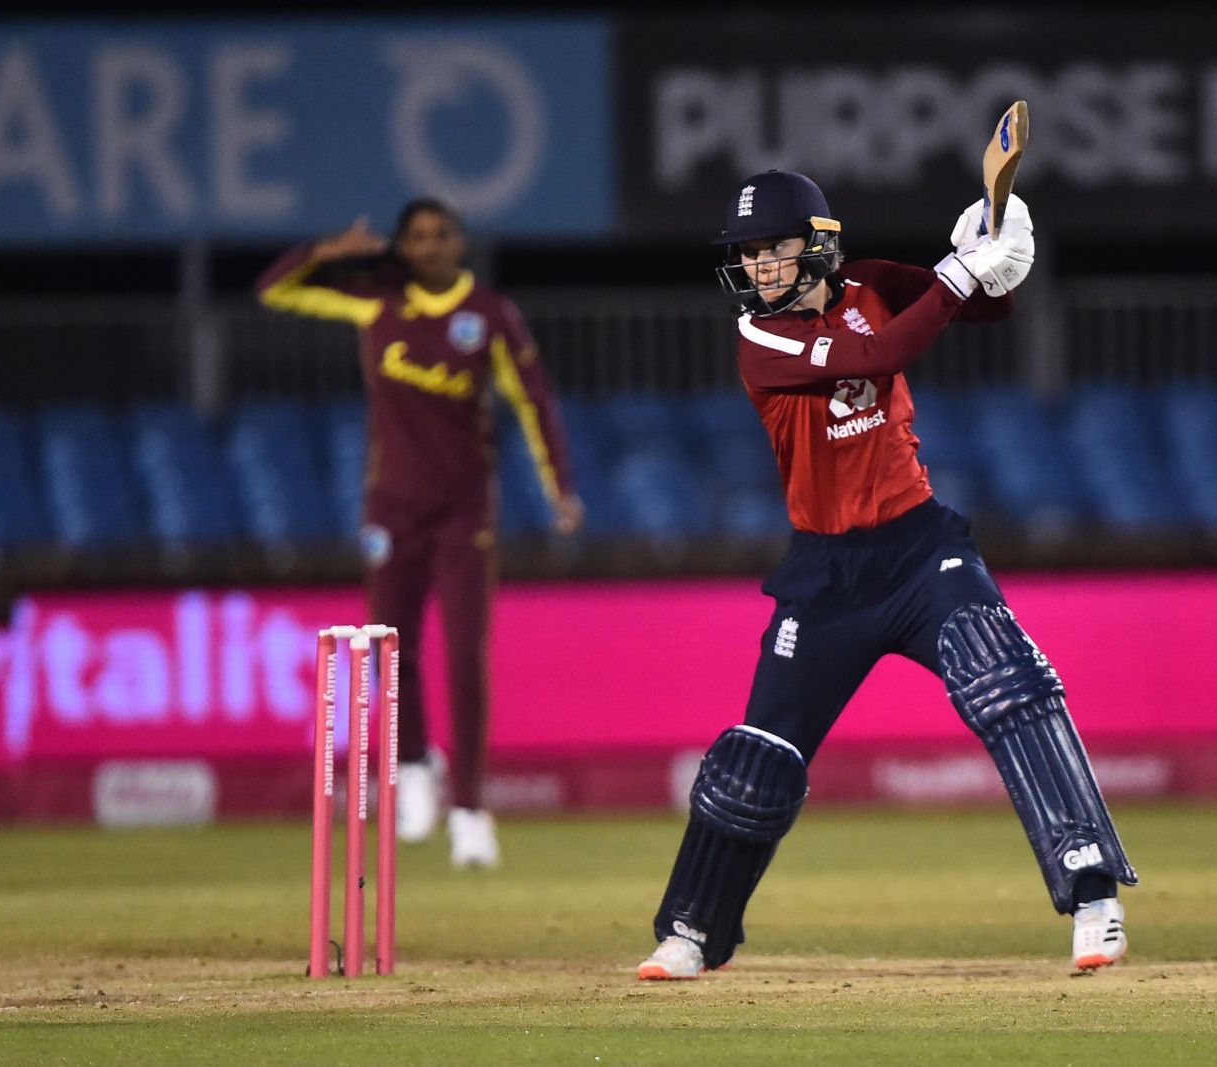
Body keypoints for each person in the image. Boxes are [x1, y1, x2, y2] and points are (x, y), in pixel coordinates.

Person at [637, 170, 1136, 980]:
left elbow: (980, 306)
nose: (759, 268)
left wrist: (994, 252)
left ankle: (1092, 894)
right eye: (749, 254)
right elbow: (883, 351)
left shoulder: (871, 282)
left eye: (774, 248)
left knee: (1008, 681)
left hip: (919, 549)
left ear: (820, 244)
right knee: (757, 756)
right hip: (826, 575)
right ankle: (692, 929)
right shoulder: (761, 340)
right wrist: (958, 273)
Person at [257, 197, 582, 868]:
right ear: (402, 248)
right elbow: (273, 290)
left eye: (443, 235)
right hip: (392, 508)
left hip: (465, 512)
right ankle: (415, 772)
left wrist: (560, 489)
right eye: (419, 237)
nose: (432, 247)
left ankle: (469, 808)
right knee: (387, 648)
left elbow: (534, 401)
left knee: (466, 654)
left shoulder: (490, 315)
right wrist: (322, 251)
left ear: (458, 244)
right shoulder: (373, 301)